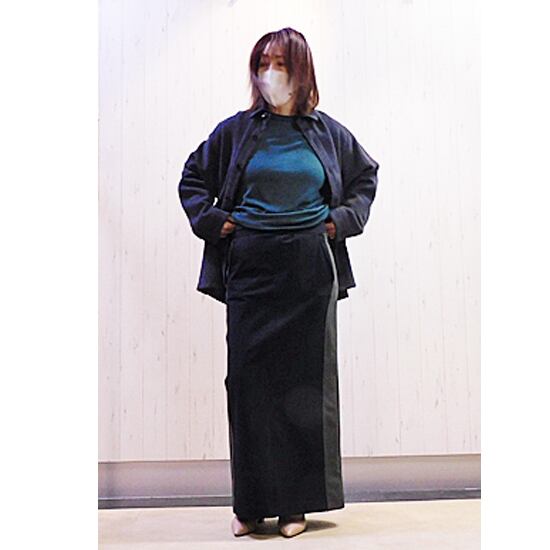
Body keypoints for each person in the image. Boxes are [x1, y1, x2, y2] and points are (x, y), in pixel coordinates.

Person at [177, 27, 379, 538]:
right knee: (248, 385)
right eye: (262, 63)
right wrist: (213, 220)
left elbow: (364, 178)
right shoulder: (237, 131)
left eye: (281, 64)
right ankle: (250, 507)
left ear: (302, 70)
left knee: (305, 387)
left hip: (309, 270)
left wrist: (340, 221)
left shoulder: (327, 133)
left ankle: (294, 507)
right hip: (251, 268)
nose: (270, 74)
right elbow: (192, 178)